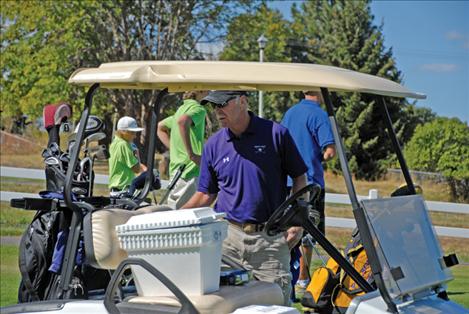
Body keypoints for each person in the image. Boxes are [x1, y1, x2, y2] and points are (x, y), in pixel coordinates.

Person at [182, 91, 308, 305]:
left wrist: (297, 222)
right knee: (223, 305)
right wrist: (171, 217)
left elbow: (299, 177)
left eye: (222, 104)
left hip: (269, 240)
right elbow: (206, 194)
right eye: (214, 106)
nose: (218, 111)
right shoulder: (213, 145)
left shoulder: (276, 134)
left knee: (276, 306)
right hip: (227, 240)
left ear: (243, 101)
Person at [281, 91, 336, 291]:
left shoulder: (290, 113)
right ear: (319, 92)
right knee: (308, 230)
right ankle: (303, 278)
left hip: (287, 180)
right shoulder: (319, 115)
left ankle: (286, 271)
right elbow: (329, 150)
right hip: (310, 182)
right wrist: (321, 157)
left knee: (287, 229)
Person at [157, 91, 208, 208]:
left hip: (178, 170)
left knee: (175, 212)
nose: (210, 91)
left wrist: (173, 148)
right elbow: (183, 122)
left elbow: (160, 126)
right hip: (189, 170)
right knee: (181, 215)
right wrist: (192, 155)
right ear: (198, 91)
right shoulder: (198, 109)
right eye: (207, 88)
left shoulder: (181, 109)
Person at [109, 116, 151, 198]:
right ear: (123, 131)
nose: (135, 136)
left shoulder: (115, 143)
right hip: (123, 188)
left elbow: (128, 162)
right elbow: (136, 169)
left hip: (116, 188)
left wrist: (144, 168)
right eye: (132, 132)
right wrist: (136, 153)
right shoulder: (125, 144)